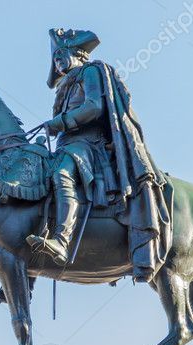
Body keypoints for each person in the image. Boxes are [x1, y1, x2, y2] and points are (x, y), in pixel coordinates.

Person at [22, 28, 171, 283]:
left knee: (61, 174)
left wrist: (62, 122)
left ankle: (61, 240)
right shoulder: (66, 86)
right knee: (35, 184)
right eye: (55, 58)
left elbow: (94, 107)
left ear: (76, 54)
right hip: (67, 145)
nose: (57, 62)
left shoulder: (91, 71)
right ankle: (26, 272)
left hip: (89, 145)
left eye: (61, 56)